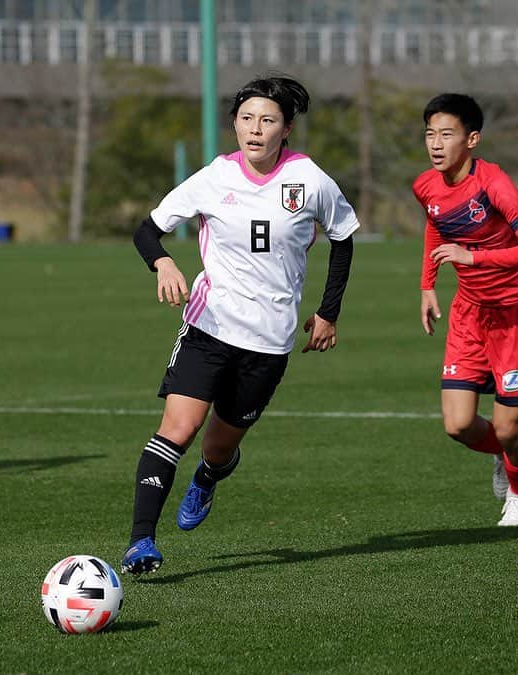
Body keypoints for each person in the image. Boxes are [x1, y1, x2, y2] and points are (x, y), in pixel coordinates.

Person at [123, 76, 360, 575]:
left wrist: (328, 311)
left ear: (286, 129)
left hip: (270, 341)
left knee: (217, 446)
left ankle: (210, 476)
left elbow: (343, 238)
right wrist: (163, 263)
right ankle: (141, 541)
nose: (255, 130)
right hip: (208, 326)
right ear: (234, 124)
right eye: (247, 119)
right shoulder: (213, 177)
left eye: (268, 120)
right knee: (178, 428)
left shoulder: (311, 180)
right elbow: (148, 230)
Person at [412, 93, 518, 526]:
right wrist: (428, 286)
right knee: (457, 425)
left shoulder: (495, 184)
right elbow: (437, 223)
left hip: (516, 315)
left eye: (447, 134)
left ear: (471, 139)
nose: (436, 143)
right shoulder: (425, 185)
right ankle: (505, 454)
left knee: (511, 429)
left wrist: (476, 259)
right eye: (430, 134)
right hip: (469, 314)